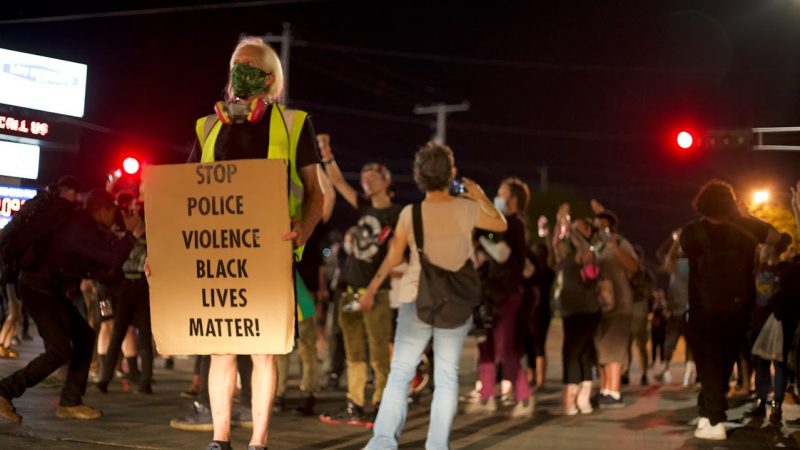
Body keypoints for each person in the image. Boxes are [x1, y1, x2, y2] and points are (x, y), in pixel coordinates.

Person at [184, 36, 323, 450]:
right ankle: (220, 439)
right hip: (218, 255)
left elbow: (317, 191)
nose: (241, 72)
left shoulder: (295, 123)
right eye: (236, 64)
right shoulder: (206, 127)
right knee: (220, 351)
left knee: (264, 352)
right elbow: (184, 194)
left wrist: (306, 229)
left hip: (271, 254)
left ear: (270, 79)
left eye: (251, 65)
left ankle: (258, 442)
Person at [363, 142, 507, 450]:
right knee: (446, 377)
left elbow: (392, 259)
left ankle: (383, 442)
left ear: (419, 176)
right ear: (450, 173)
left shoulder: (409, 214)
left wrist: (372, 289)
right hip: (455, 302)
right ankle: (437, 445)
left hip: (417, 298)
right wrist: (478, 194)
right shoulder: (468, 209)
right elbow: (500, 223)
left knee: (400, 373)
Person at [0, 186, 142, 423]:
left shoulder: (82, 225)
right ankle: (5, 390)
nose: (114, 217)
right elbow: (113, 257)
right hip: (38, 289)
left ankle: (70, 401)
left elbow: (101, 266)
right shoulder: (80, 226)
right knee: (59, 350)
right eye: (113, 212)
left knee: (85, 337)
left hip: (50, 290)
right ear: (104, 210)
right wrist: (131, 233)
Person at [681, 179, 780, 440]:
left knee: (707, 365)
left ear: (701, 203)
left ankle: (713, 420)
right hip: (738, 309)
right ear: (730, 205)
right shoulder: (746, 229)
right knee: (723, 364)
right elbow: (775, 237)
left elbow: (680, 253)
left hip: (702, 310)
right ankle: (708, 416)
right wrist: (746, 216)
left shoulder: (692, 232)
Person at [318, 134, 401, 426]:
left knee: (378, 352)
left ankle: (381, 404)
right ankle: (354, 403)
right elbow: (339, 183)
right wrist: (326, 154)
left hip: (374, 294)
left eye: (372, 176)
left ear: (386, 180)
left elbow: (394, 258)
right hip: (349, 290)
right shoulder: (364, 207)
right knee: (353, 351)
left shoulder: (395, 214)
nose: (366, 181)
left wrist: (371, 291)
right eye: (364, 177)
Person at [465, 177, 534, 418]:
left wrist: (481, 240)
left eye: (501, 193)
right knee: (485, 346)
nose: (498, 197)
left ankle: (524, 396)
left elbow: (503, 254)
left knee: (504, 349)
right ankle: (486, 396)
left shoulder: (513, 224)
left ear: (513, 199)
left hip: (506, 294)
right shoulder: (500, 225)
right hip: (491, 293)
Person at [96, 192, 154, 394]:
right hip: (111, 293)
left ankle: (137, 377)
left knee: (128, 333)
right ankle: (105, 374)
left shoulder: (148, 235)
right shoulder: (121, 234)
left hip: (132, 290)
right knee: (111, 329)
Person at [551, 211, 601, 415]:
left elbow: (590, 273)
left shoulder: (589, 251)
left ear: (588, 231)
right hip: (569, 310)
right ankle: (580, 398)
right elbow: (556, 244)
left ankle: (574, 398)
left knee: (576, 353)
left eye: (579, 227)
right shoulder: (567, 254)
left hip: (587, 310)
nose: (573, 230)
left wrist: (574, 233)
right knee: (578, 353)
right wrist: (559, 223)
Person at [592, 209, 639, 408]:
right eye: (597, 226)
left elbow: (634, 267)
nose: (600, 230)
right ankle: (604, 389)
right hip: (602, 305)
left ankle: (614, 391)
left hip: (621, 303)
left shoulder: (620, 243)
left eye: (603, 226)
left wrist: (615, 248)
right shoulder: (597, 246)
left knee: (615, 348)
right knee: (602, 348)